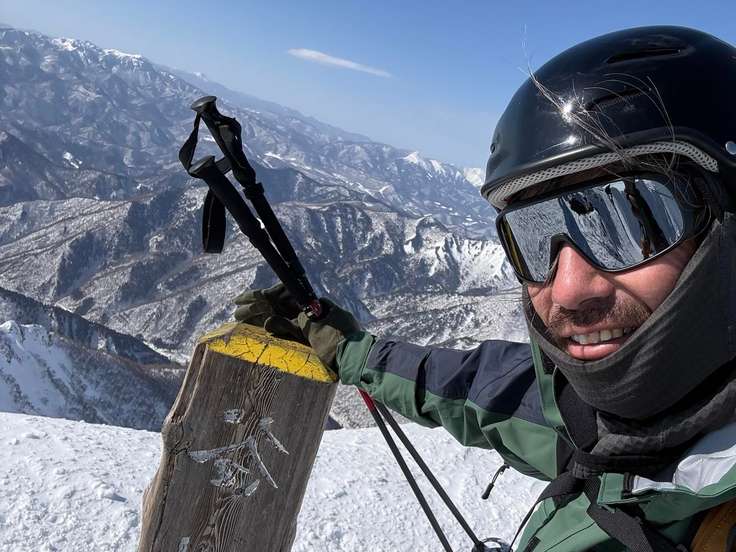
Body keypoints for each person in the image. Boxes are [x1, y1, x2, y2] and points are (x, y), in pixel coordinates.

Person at [234, 26, 736, 551]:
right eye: (534, 235)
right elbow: (469, 385)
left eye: (633, 221)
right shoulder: (582, 417)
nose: (566, 290)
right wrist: (346, 350)